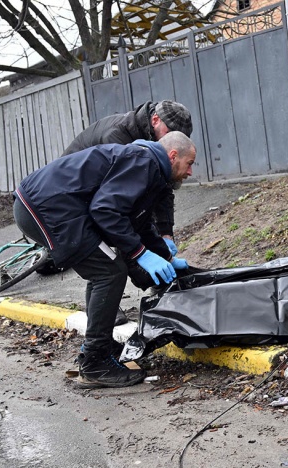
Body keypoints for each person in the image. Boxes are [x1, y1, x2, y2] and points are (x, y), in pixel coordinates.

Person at [13, 131, 196, 388]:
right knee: (108, 272)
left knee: (105, 269)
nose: (190, 172)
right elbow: (105, 210)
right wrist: (141, 255)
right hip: (46, 207)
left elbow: (139, 225)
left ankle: (100, 345)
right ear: (173, 156)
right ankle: (94, 362)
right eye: (189, 164)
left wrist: (164, 257)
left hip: (45, 204)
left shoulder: (150, 167)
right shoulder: (142, 162)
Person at [60, 100, 194, 325]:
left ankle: (160, 285)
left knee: (132, 239)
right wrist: (142, 255)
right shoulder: (120, 137)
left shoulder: (158, 147)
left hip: (105, 195)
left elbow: (162, 189)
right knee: (105, 257)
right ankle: (106, 308)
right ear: (155, 121)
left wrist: (165, 235)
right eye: (170, 133)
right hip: (75, 192)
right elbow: (120, 208)